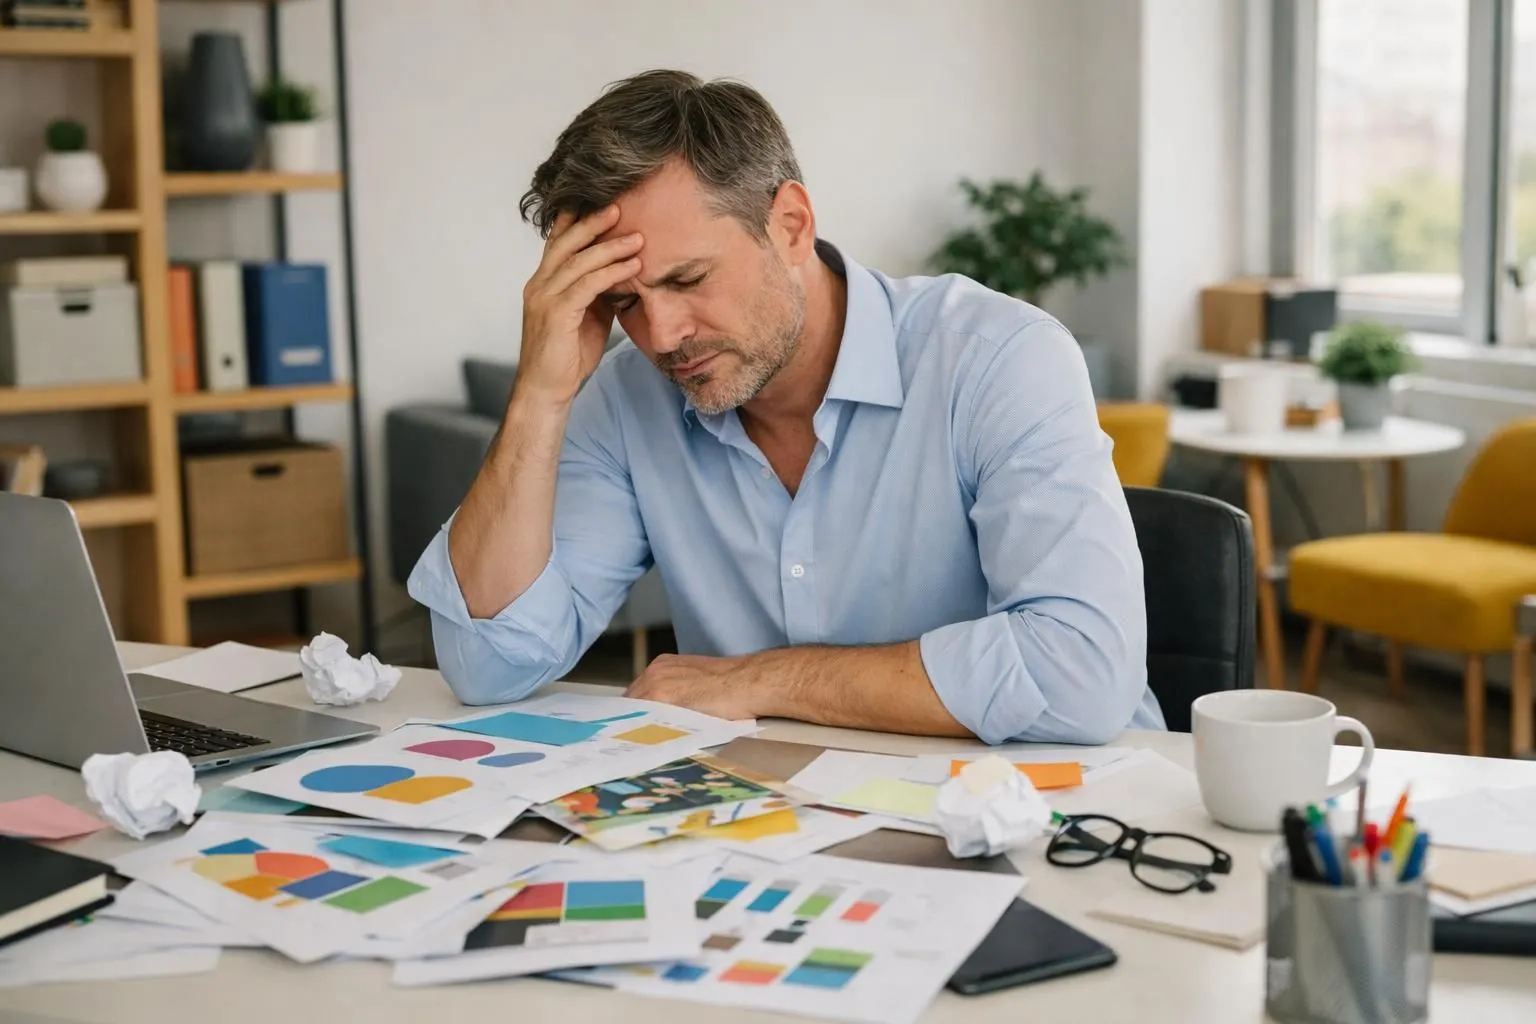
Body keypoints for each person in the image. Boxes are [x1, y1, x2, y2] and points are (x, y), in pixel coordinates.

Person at [408, 69, 1165, 745]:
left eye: (687, 279)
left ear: (792, 225)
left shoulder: (998, 358)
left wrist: (765, 680)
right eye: (622, 301)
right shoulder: (624, 398)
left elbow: (1081, 673)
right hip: (794, 821)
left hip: (1072, 811)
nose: (661, 335)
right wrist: (539, 396)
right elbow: (489, 666)